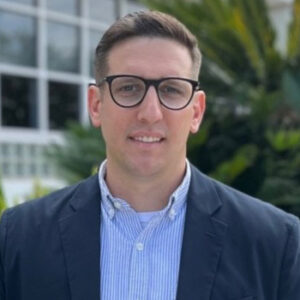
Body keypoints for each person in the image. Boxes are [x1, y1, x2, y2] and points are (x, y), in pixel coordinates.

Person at [0, 10, 299, 300]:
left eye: (171, 90)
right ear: (95, 105)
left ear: (196, 112)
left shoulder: (275, 243)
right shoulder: (17, 239)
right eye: (129, 87)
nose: (150, 113)